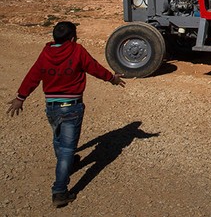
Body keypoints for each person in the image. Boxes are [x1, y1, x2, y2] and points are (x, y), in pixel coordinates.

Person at [6, 21, 125, 208]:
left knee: (58, 139)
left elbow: (33, 75)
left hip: (52, 107)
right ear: (72, 37)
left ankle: (67, 164)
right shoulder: (77, 50)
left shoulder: (46, 53)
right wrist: (112, 78)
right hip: (72, 107)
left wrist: (20, 97)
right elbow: (93, 67)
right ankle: (60, 191)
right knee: (68, 150)